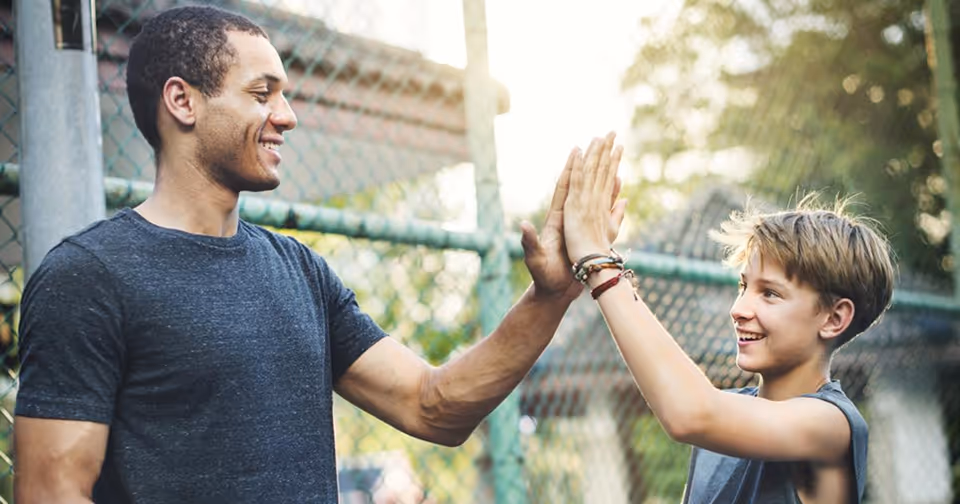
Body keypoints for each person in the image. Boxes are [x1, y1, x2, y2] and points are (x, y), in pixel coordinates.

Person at [12, 6, 627, 503]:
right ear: (183, 101)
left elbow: (432, 406)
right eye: (262, 93)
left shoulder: (300, 272)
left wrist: (550, 296)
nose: (288, 116)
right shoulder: (89, 276)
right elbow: (51, 490)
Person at [562, 133, 895, 503]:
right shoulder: (721, 421)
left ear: (834, 319)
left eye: (770, 293)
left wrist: (598, 261)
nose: (738, 309)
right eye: (743, 286)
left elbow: (691, 413)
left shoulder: (831, 426)